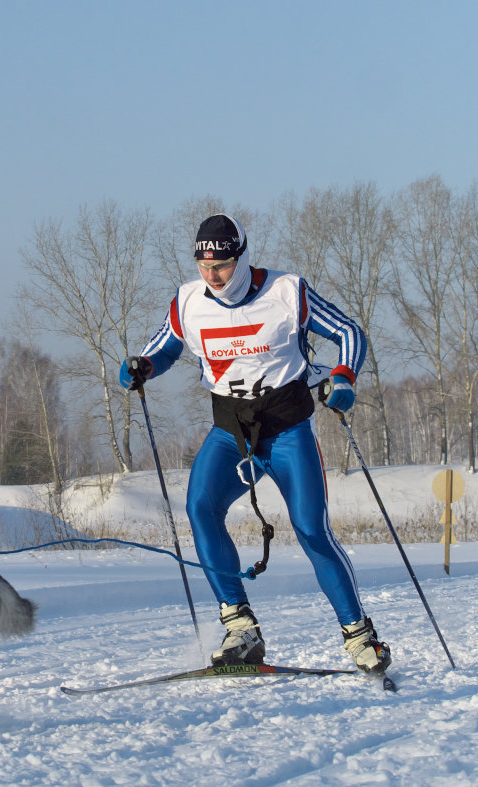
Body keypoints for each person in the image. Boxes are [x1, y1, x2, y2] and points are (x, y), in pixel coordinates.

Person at [120, 213, 390, 674]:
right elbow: (164, 349)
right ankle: (240, 627)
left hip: (287, 430)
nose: (213, 275)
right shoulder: (188, 301)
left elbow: (349, 333)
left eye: (222, 265)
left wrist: (343, 376)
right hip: (231, 433)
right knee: (201, 509)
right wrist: (143, 366)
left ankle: (359, 636)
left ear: (241, 257)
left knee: (310, 528)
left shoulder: (286, 292)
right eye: (204, 266)